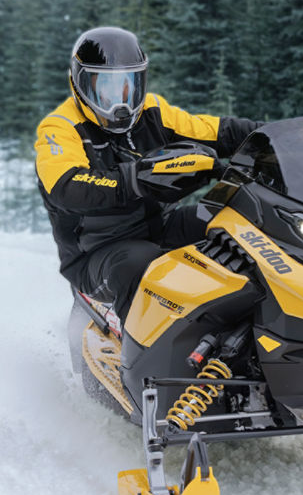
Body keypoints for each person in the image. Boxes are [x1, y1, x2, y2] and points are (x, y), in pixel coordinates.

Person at [34, 26, 261, 322]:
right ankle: (140, 364)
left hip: (160, 225)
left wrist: (277, 135)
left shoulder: (153, 111)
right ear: (81, 85)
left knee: (238, 222)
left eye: (127, 86)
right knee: (142, 266)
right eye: (106, 88)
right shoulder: (60, 128)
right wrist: (134, 180)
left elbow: (218, 131)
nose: (120, 102)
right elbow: (67, 186)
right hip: (98, 250)